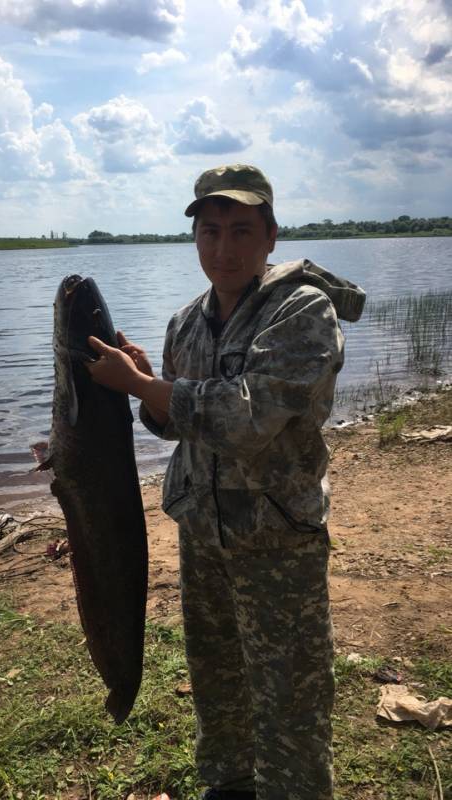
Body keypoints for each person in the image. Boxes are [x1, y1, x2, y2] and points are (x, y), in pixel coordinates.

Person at [86, 164, 365, 800]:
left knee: (289, 690)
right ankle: (229, 784)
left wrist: (145, 389)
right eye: (210, 231)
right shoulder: (187, 320)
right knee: (217, 676)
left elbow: (248, 417)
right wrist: (147, 387)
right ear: (195, 239)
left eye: (242, 230)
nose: (225, 248)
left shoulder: (303, 311)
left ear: (270, 235)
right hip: (203, 533)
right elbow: (175, 425)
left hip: (276, 537)